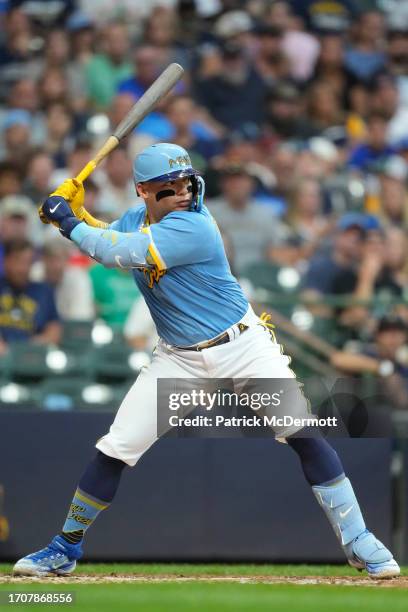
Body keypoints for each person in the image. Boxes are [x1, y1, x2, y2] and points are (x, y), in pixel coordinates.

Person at [13, 143, 399, 579]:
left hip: (243, 346)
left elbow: (113, 252)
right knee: (116, 447)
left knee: (303, 432)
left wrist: (66, 218)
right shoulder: (136, 219)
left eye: (184, 182)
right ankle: (66, 545)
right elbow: (109, 237)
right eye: (168, 186)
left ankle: (358, 539)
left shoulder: (194, 225)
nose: (181, 191)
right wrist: (74, 215)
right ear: (143, 191)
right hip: (178, 359)